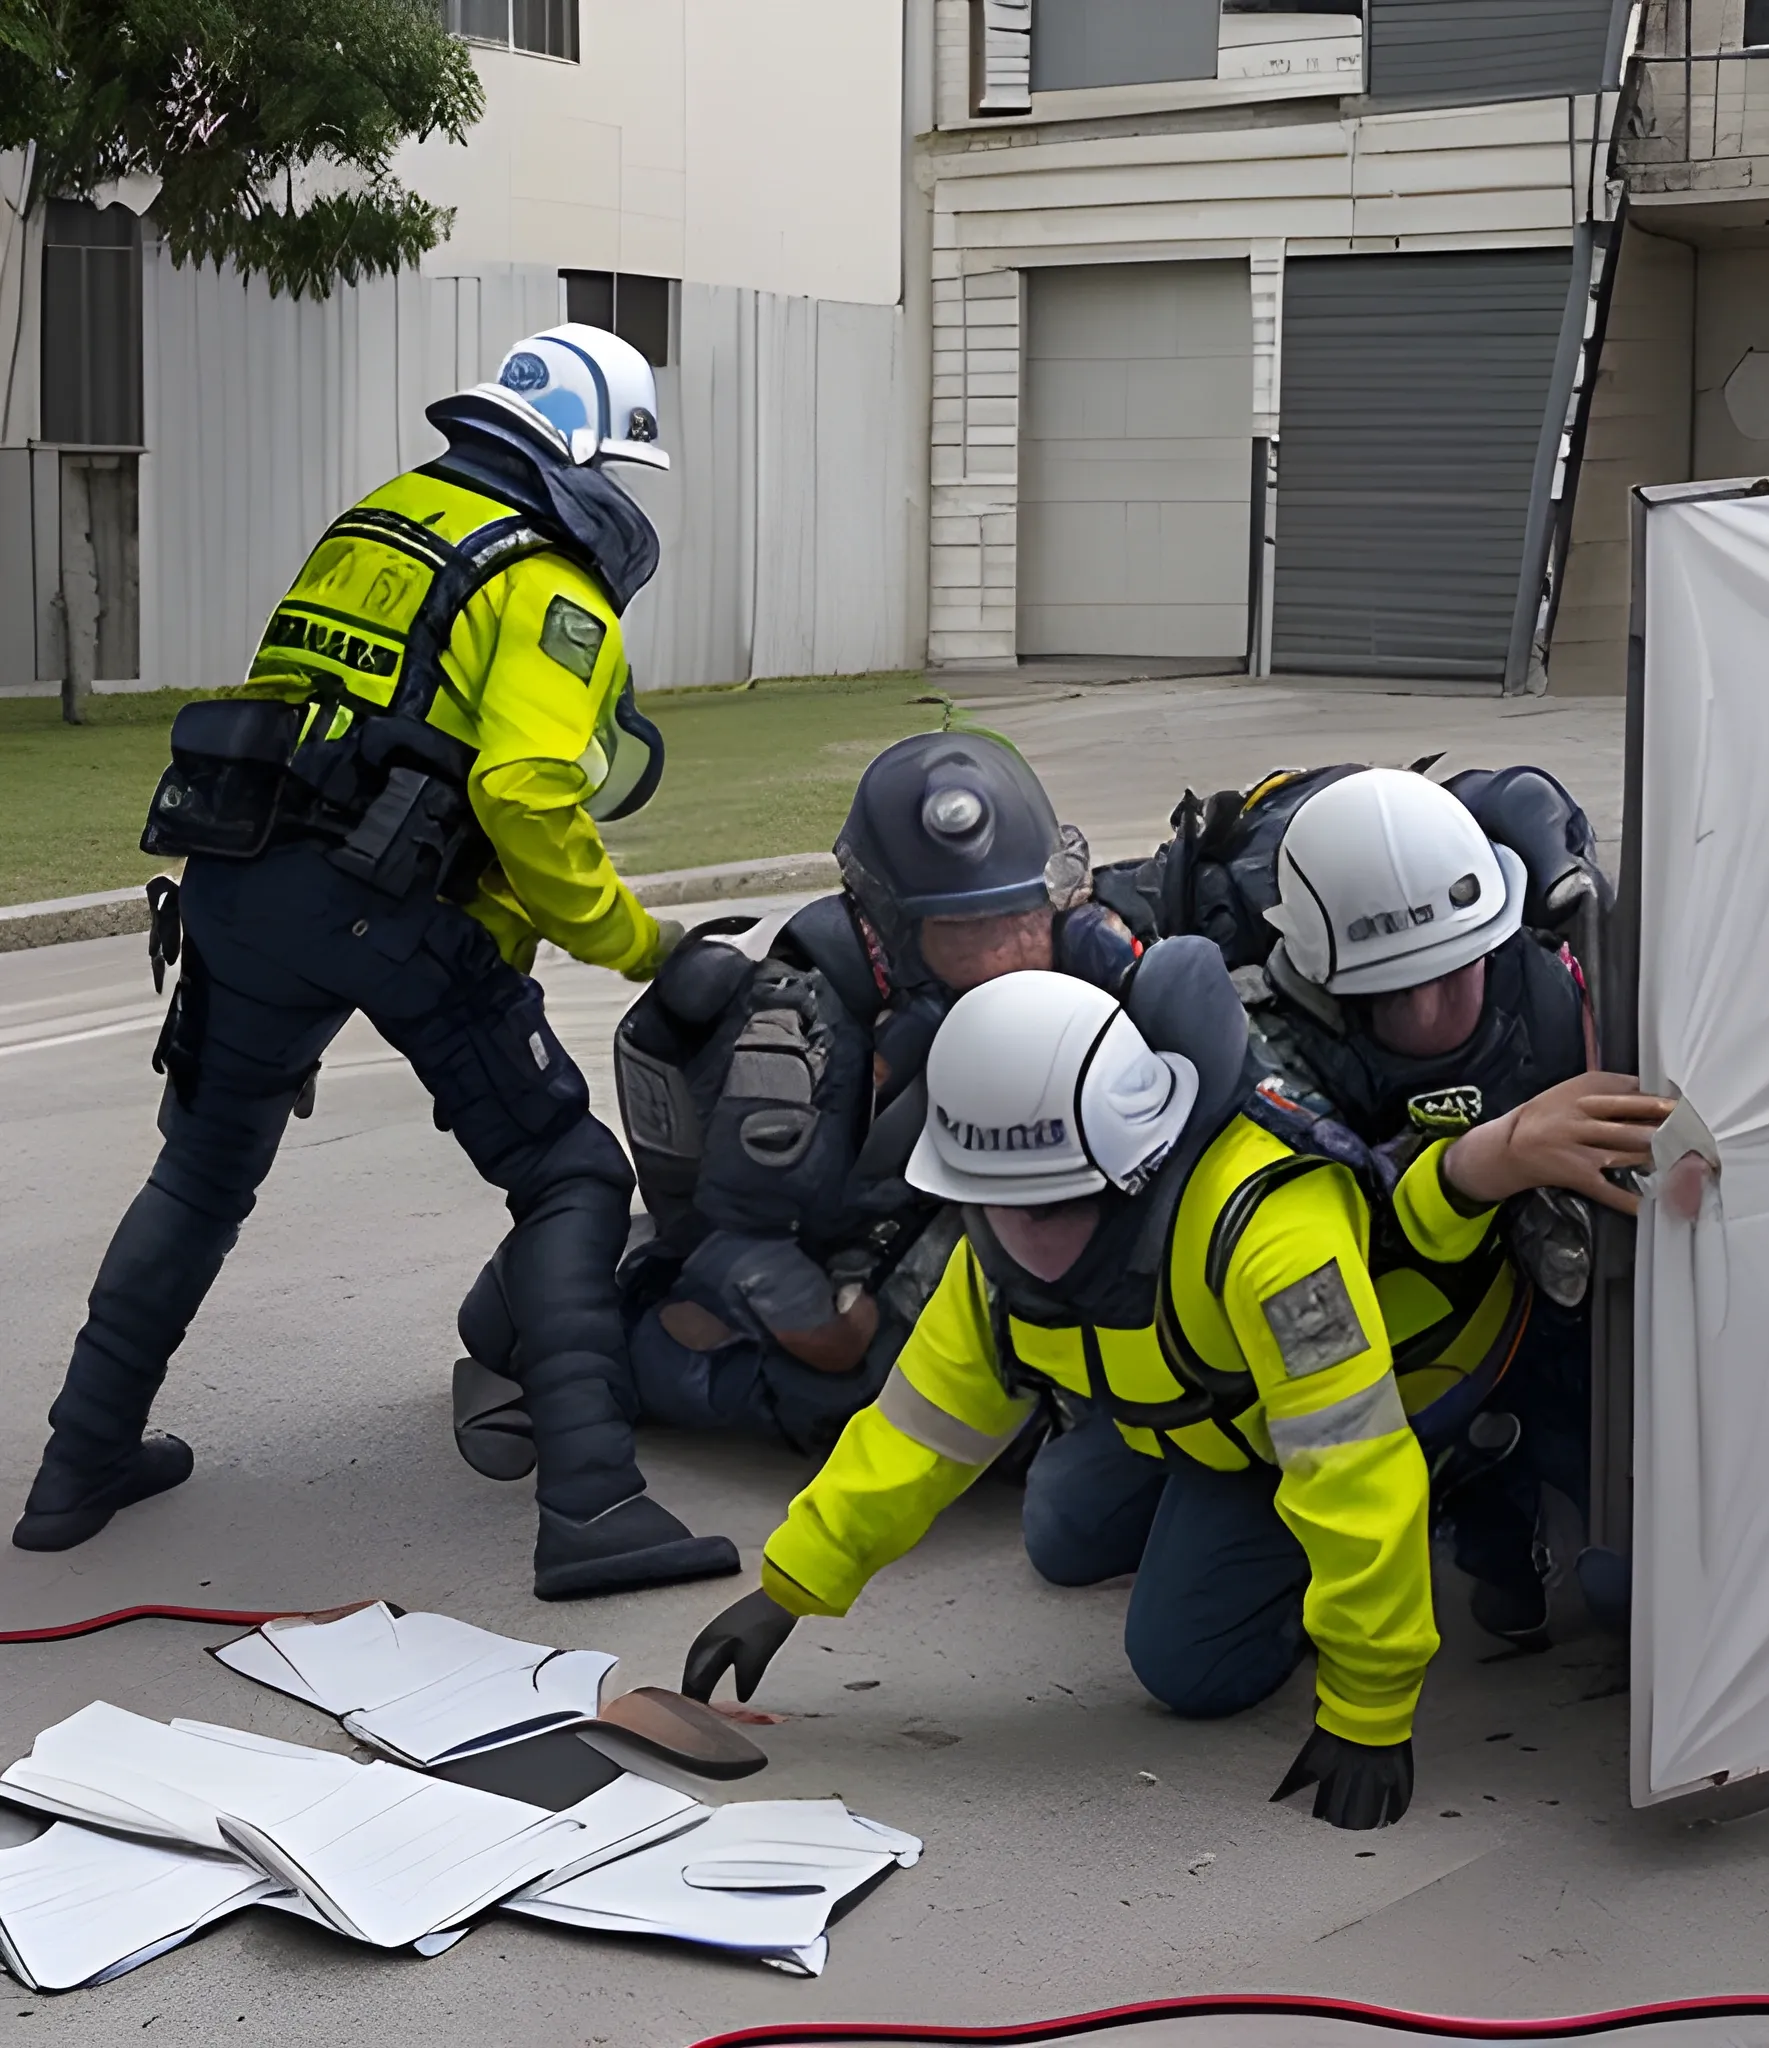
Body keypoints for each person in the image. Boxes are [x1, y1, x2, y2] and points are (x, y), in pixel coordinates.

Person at [12, 324, 741, 1602]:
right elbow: (519, 789)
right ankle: (593, 1509)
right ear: (581, 453)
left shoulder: (377, 523)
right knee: (569, 1173)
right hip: (385, 907)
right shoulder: (548, 585)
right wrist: (641, 944)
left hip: (235, 885)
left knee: (201, 1169)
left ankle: (79, 1467)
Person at [681, 944, 1670, 1830]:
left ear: (1133, 1168)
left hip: (1323, 1418)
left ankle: (1457, 1481)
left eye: (1057, 1206)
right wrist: (786, 1589)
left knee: (1184, 1664)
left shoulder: (1269, 1226)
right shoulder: (997, 1239)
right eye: (1000, 1208)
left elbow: (1350, 1465)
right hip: (1200, 1405)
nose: (1028, 1240)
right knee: (1061, 1536)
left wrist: (1367, 1706)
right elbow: (921, 1424)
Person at [450, 730, 1139, 1476]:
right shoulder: (798, 1035)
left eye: (1021, 920)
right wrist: (831, 1327)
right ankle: (547, 1322)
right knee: (851, 1381)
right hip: (802, 1235)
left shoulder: (1070, 946)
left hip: (924, 1210)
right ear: (893, 927)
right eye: (967, 934)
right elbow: (742, 1244)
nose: (1007, 953)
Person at [1099, 763, 1609, 1642]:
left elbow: (1513, 793)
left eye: (1458, 968)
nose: (1436, 1002)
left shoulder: (1552, 982)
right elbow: (1322, 1251)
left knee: (1627, 1591)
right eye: (1397, 985)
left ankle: (1500, 1483)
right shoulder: (1269, 1051)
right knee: (1093, 1558)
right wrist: (1482, 1164)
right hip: (1348, 1352)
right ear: (1324, 978)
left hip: (1532, 1315)